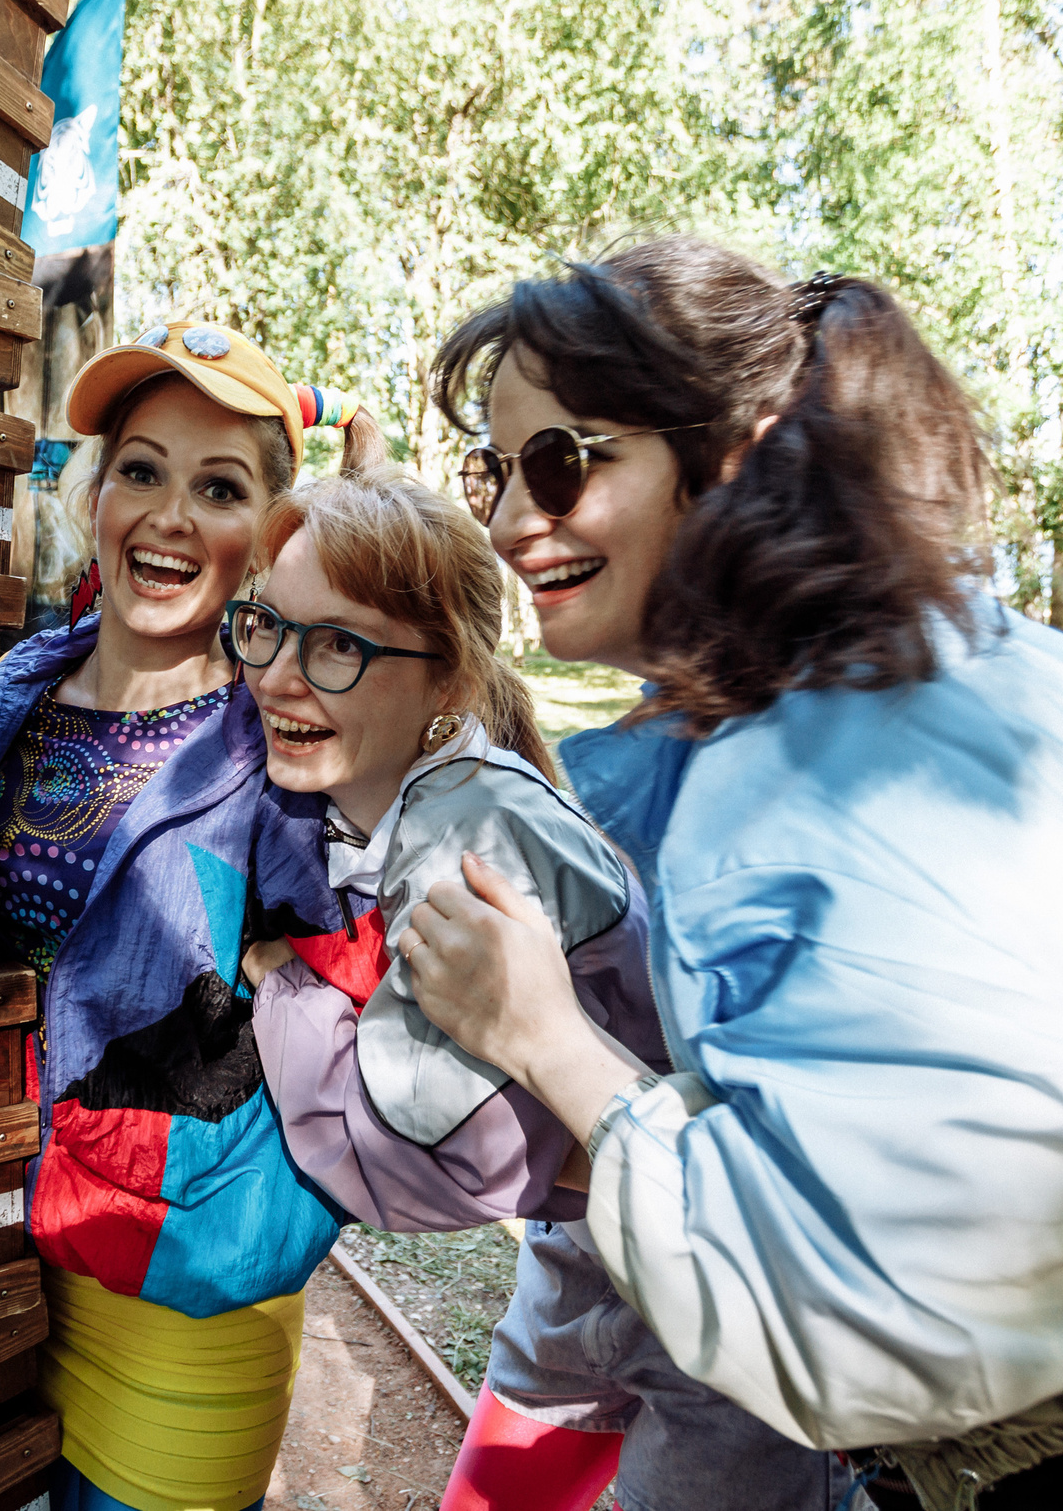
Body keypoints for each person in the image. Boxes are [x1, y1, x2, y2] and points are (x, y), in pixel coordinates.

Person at [394, 237, 1063, 1510]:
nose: (518, 516)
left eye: (567, 460)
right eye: (494, 470)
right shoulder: (979, 664)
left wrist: (547, 1038)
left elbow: (880, 1327)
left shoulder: (818, 789)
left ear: (733, 452)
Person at [234, 468, 853, 1511]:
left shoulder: (465, 844)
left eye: (339, 644)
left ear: (447, 681)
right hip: (584, 1270)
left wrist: (282, 990)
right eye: (267, 627)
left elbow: (408, 1166)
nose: (280, 676)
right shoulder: (393, 798)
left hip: (726, 1298)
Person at [0, 321, 379, 1511]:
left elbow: (366, 967)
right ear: (96, 493)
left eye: (219, 487)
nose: (169, 516)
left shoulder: (292, 729)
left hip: (178, 1272)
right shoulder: (20, 688)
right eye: (141, 469)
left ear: (271, 535)